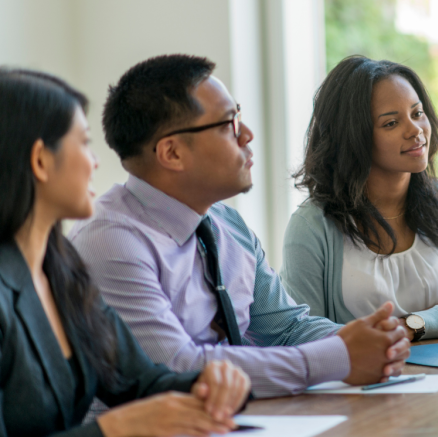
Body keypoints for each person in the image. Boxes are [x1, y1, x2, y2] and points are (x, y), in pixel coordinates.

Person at [68, 55, 410, 399]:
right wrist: (338, 357)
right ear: (171, 153)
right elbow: (177, 368)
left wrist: (375, 338)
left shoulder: (225, 223)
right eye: (228, 123)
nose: (247, 135)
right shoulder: (110, 241)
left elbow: (287, 329)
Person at [0, 68, 251, 437]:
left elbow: (142, 382)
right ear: (40, 161)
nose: (96, 162)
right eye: (83, 143)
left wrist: (211, 382)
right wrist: (112, 428)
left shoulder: (62, 270)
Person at [281, 56, 438, 341]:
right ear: (354, 137)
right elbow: (300, 336)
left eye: (417, 113)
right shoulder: (311, 226)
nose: (415, 130)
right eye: (391, 123)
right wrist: (409, 326)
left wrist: (418, 323)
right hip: (363, 385)